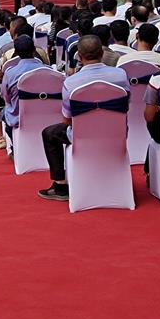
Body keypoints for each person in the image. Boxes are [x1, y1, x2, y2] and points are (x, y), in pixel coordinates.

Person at [37, 35, 133, 202]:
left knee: (49, 133)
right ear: (102, 54)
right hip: (117, 133)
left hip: (82, 135)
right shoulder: (121, 75)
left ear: (79, 57)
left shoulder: (72, 82)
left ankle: (60, 185)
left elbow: (67, 121)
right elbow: (127, 105)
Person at [0, 35, 52, 147]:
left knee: (4, 113)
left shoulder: (10, 73)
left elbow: (6, 98)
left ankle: (15, 147)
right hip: (49, 116)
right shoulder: (50, 71)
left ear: (16, 52)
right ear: (34, 50)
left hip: (20, 118)